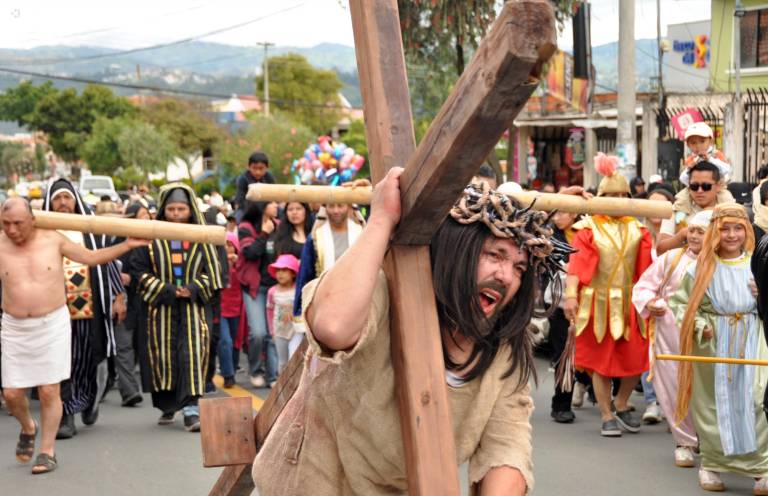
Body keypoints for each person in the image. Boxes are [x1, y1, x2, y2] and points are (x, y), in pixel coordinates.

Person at [252, 172, 572, 495]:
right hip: (314, 479)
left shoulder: (503, 352)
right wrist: (381, 219)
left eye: (519, 268)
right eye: (495, 255)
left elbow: (507, 448)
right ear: (459, 251)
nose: (506, 276)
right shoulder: (392, 291)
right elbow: (332, 326)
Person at [1, 197, 148, 474]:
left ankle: (47, 451)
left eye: (17, 223)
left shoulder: (53, 240)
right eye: (6, 224)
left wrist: (126, 245)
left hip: (52, 323)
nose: (11, 230)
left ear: (32, 220)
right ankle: (28, 426)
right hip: (14, 327)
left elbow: (91, 258)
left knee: (49, 390)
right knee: (11, 394)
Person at [669, 203, 768, 494]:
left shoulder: (759, 264)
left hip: (753, 338)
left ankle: (761, 467)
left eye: (738, 228)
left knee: (756, 400)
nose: (732, 235)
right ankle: (712, 464)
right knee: (714, 404)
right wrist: (700, 326)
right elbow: (682, 305)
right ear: (715, 232)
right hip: (713, 344)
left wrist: (763, 295)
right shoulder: (700, 268)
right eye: (725, 229)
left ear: (747, 231)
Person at [563, 153, 653, 437]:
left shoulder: (638, 229)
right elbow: (578, 265)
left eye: (622, 195)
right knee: (601, 362)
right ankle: (605, 414)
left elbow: (647, 270)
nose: (617, 200)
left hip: (631, 302)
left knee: (637, 359)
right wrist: (570, 295)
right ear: (601, 197)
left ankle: (622, 402)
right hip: (597, 302)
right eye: (611, 195)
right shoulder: (587, 228)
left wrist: (653, 297)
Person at [132, 183, 223, 432]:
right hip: (160, 308)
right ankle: (169, 404)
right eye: (171, 209)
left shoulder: (204, 237)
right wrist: (168, 290)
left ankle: (191, 408)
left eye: (181, 209)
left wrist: (193, 288)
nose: (176, 214)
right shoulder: (150, 238)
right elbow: (139, 271)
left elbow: (214, 272)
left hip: (194, 307)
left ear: (190, 210)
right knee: (164, 356)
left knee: (191, 354)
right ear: (163, 210)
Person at [42, 178, 128, 439]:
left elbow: (108, 261)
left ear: (75, 200)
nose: (63, 203)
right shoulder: (41, 231)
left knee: (90, 357)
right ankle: (66, 415)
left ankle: (90, 398)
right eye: (57, 198)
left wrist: (118, 296)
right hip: (55, 308)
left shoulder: (92, 228)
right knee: (61, 362)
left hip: (91, 307)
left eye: (67, 197)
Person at [632, 210, 712, 469]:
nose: (695, 236)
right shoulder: (671, 258)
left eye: (701, 232)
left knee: (706, 388)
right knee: (674, 387)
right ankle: (684, 442)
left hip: (709, 335)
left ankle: (709, 441)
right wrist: (650, 302)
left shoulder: (721, 262)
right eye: (692, 231)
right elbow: (643, 287)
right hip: (670, 333)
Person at [292, 202, 365, 325]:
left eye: (340, 205)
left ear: (348, 206)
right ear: (325, 208)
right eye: (331, 206)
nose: (336, 211)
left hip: (357, 300)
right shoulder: (316, 237)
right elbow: (305, 275)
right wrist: (300, 311)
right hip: (324, 302)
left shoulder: (361, 233)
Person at [113, 202, 151, 407]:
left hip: (146, 301)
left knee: (141, 345)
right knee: (124, 345)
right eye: (141, 214)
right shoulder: (120, 243)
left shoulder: (154, 242)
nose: (146, 219)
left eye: (147, 214)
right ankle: (129, 391)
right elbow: (111, 269)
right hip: (124, 298)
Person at [239, 201, 280, 389]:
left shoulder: (279, 225)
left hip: (276, 287)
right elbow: (250, 253)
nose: (276, 205)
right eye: (272, 202)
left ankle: (272, 375)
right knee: (258, 333)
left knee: (272, 334)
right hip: (254, 287)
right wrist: (264, 234)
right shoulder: (246, 227)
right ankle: (255, 370)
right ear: (261, 205)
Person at [657, 161, 734, 256]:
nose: (700, 191)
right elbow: (660, 250)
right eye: (694, 186)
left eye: (706, 186)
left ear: (718, 186)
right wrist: (682, 235)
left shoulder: (731, 211)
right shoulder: (677, 209)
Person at [266, 254, 301, 372]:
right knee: (282, 362)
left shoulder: (298, 290)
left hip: (295, 330)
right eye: (278, 270)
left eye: (284, 270)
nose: (280, 274)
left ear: (293, 273)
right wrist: (272, 331)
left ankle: (295, 383)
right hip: (280, 331)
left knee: (294, 358)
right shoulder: (272, 292)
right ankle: (283, 382)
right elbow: (269, 311)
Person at [218, 232, 243, 389]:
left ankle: (232, 370)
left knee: (235, 341)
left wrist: (238, 263)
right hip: (220, 309)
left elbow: (247, 279)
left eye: (230, 245)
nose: (227, 248)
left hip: (237, 308)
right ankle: (228, 375)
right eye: (224, 245)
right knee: (225, 341)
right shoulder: (216, 264)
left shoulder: (241, 264)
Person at [234, 151, 276, 218]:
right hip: (247, 208)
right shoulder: (243, 179)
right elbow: (239, 201)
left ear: (267, 168)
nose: (258, 172)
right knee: (238, 215)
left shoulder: (269, 178)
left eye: (261, 168)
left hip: (267, 207)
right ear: (248, 167)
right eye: (254, 168)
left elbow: (274, 197)